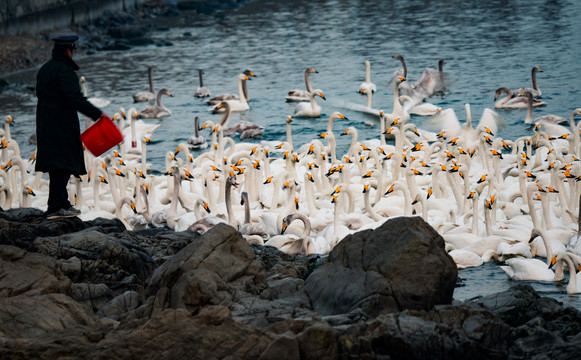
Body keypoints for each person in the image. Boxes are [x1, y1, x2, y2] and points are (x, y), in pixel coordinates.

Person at [35, 35, 109, 220]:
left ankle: (60, 204)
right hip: (62, 124)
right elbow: (75, 99)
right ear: (68, 51)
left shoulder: (45, 69)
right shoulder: (65, 72)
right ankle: (56, 207)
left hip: (45, 122)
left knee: (56, 164)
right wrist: (97, 114)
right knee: (63, 163)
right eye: (73, 50)